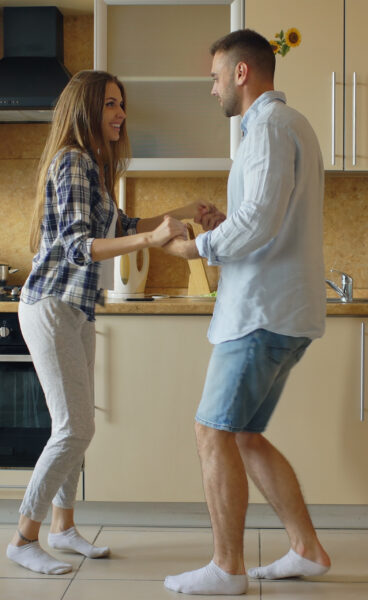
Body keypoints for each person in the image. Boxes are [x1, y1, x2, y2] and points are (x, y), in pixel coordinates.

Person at [7, 69, 219, 576]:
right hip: (52, 304)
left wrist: (182, 212)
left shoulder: (94, 167)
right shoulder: (73, 160)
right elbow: (80, 247)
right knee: (75, 428)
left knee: (76, 427)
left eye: (121, 103)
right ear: (85, 109)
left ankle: (62, 527)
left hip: (75, 308)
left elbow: (122, 226)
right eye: (110, 104)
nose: (121, 113)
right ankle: (23, 537)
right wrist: (151, 239)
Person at [161, 29, 331, 596]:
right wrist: (223, 225)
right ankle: (306, 549)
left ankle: (227, 567)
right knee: (245, 436)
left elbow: (258, 220)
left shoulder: (269, 128)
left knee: (212, 431)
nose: (212, 89)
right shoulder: (291, 125)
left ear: (241, 72)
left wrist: (197, 246)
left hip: (261, 312)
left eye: (215, 77)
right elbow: (263, 216)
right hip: (281, 312)